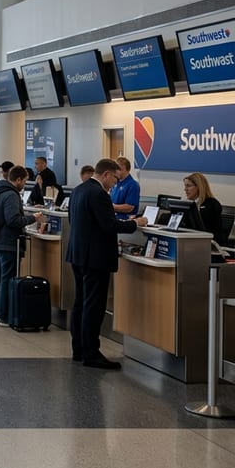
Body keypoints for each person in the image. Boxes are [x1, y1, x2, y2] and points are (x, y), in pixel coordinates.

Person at [65, 158, 147, 369]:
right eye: (114, 179)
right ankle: (91, 353)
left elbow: (75, 220)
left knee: (81, 302)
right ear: (106, 174)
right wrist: (134, 223)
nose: (114, 184)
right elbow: (109, 225)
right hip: (95, 259)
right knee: (93, 305)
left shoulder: (78, 190)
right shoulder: (99, 194)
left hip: (78, 254)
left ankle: (79, 349)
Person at [0, 166, 46, 325]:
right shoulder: (11, 195)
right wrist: (33, 218)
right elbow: (13, 220)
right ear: (18, 179)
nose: (25, 184)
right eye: (25, 181)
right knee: (6, 279)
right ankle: (4, 316)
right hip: (8, 243)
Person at [184, 172, 225, 244]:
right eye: (185, 186)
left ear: (199, 187)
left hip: (208, 243)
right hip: (192, 241)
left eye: (188, 186)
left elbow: (209, 230)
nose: (185, 189)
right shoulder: (190, 204)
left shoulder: (212, 204)